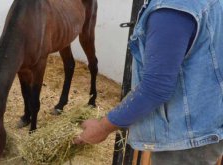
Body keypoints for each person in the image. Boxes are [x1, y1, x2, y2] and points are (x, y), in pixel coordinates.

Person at [74, 0, 223, 164]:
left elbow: (155, 88)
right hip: (206, 125)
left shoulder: (171, 10)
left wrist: (103, 127)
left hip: (185, 139)